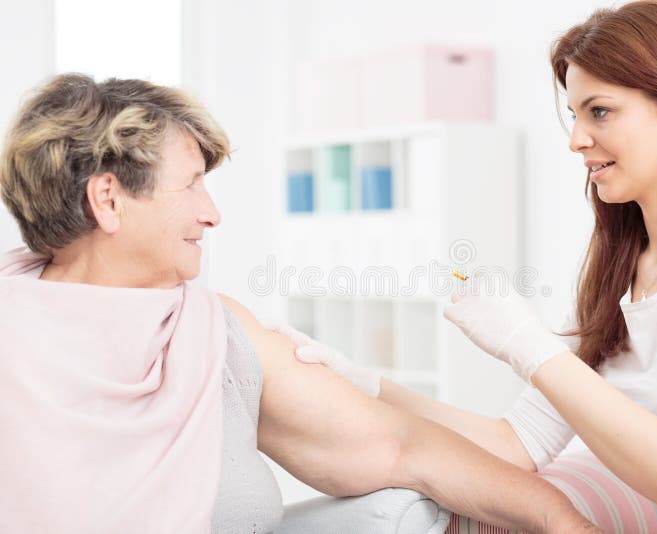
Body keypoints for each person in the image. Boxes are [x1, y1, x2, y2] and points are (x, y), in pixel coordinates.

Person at [0, 73, 602, 534]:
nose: (212, 214)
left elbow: (398, 445)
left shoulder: (214, 331)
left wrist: (560, 520)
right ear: (108, 199)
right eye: (190, 185)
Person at [294, 1, 657, 532]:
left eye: (599, 111)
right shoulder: (625, 264)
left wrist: (530, 347)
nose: (576, 138)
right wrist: (369, 386)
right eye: (575, 114)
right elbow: (516, 444)